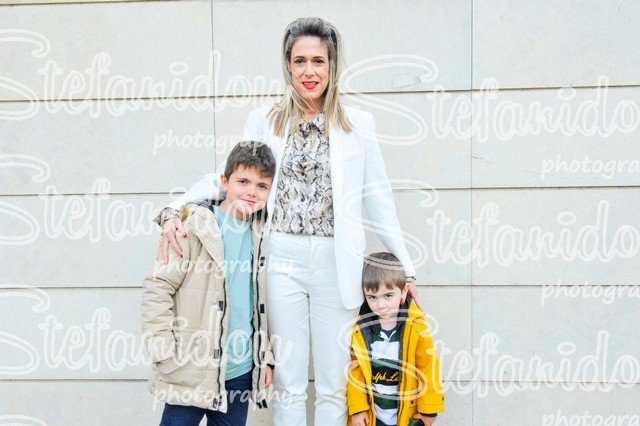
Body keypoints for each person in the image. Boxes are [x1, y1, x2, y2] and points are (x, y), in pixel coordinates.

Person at [156, 17, 419, 425]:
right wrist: (173, 209)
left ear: (332, 65)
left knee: (333, 385)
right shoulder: (265, 120)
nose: (309, 71)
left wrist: (407, 269)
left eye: (318, 61)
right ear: (288, 65)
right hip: (281, 259)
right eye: (300, 61)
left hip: (337, 263)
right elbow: (229, 177)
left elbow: (380, 199)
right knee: (288, 384)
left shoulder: (358, 125)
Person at [142, 141, 276, 426]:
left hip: (240, 372)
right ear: (224, 182)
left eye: (262, 186)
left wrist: (265, 356)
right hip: (190, 368)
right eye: (243, 182)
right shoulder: (192, 226)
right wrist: (162, 351)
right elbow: (158, 288)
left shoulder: (263, 235)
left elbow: (260, 302)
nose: (252, 192)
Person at [348, 252, 444, 426]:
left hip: (407, 415)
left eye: (388, 296)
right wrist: (358, 408)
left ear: (404, 291)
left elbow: (428, 368)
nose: (380, 305)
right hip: (372, 417)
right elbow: (356, 371)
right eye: (372, 297)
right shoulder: (361, 329)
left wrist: (429, 409)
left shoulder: (415, 326)